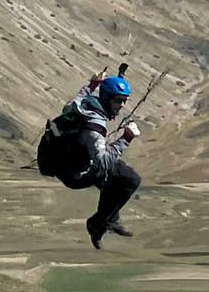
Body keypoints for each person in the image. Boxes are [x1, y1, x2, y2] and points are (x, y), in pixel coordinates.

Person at [37, 72, 142, 249]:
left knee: (115, 177)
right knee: (130, 179)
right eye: (118, 100)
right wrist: (127, 138)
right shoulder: (95, 128)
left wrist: (93, 84)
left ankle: (110, 219)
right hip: (77, 176)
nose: (121, 105)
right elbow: (103, 163)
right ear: (107, 98)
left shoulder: (81, 105)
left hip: (65, 165)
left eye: (124, 100)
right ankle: (98, 224)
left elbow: (70, 103)